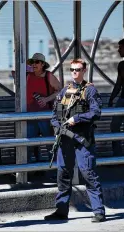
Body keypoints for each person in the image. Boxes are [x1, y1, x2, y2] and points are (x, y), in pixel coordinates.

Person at [44, 58, 105, 223]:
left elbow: (96, 112)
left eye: (78, 69)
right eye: (72, 69)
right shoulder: (65, 91)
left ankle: (99, 211)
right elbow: (55, 115)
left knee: (88, 173)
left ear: (84, 70)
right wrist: (57, 128)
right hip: (65, 139)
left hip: (82, 138)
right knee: (63, 174)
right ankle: (61, 210)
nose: (74, 72)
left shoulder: (90, 91)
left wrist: (77, 118)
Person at [26, 53, 61, 162]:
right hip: (30, 115)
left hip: (45, 115)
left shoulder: (48, 76)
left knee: (49, 143)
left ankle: (54, 169)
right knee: (28, 144)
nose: (34, 65)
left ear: (42, 64)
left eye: (36, 62)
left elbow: (60, 90)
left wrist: (46, 99)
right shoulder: (27, 75)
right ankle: (30, 170)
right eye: (32, 62)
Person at [108, 38, 124, 156]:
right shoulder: (121, 65)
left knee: (115, 126)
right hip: (122, 99)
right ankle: (117, 155)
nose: (118, 50)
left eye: (120, 47)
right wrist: (112, 98)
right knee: (114, 126)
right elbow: (119, 84)